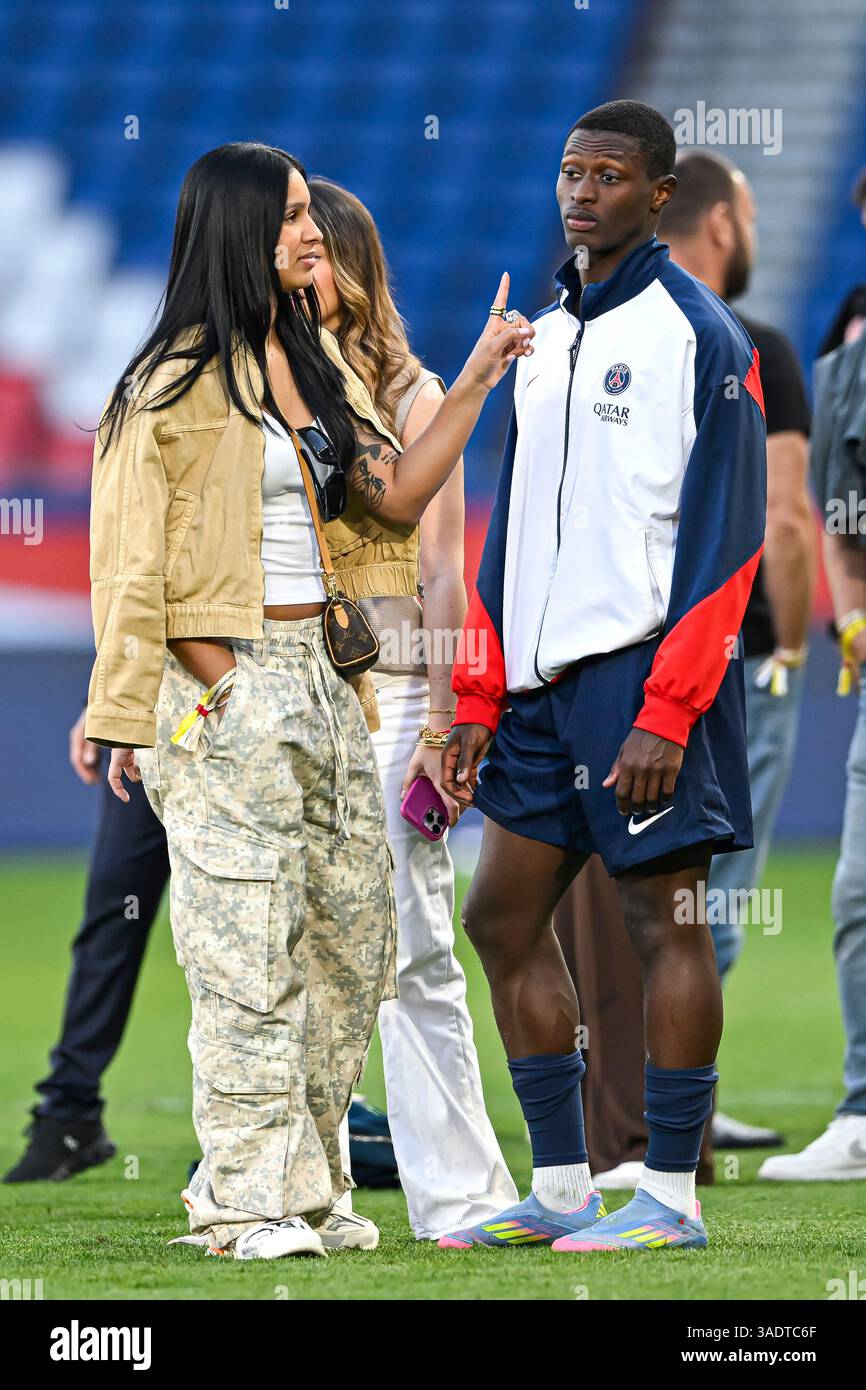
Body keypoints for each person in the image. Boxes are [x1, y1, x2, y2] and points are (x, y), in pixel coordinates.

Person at [85, 141, 531, 1260]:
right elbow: (131, 557)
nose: (309, 234)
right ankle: (240, 1203)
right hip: (223, 680)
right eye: (288, 218)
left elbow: (390, 498)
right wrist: (162, 694)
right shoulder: (166, 387)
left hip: (335, 687)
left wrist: (473, 378)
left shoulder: (318, 359)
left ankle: (314, 1186)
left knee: (350, 944)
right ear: (238, 229)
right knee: (246, 952)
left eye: (309, 218)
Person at [438, 100, 767, 1254]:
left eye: (608, 175)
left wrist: (667, 711)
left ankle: (668, 1196)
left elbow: (729, 544)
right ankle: (565, 1186)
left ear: (658, 193)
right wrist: (476, 695)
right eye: (570, 172)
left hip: (642, 684)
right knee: (499, 915)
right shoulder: (538, 335)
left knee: (661, 918)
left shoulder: (700, 338)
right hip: (531, 693)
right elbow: (506, 529)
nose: (581, 192)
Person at [552, 150, 815, 1188]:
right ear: (715, 219)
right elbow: (779, 520)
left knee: (630, 916)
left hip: (628, 668)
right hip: (705, 661)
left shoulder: (662, 338)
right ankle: (660, 1144)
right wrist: (784, 647)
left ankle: (644, 1152)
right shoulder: (746, 345)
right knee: (683, 912)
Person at [310, 178, 518, 1238]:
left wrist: (441, 722)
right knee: (289, 946)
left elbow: (444, 575)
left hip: (389, 703)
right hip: (293, 697)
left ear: (349, 263)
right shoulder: (271, 390)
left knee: (414, 949)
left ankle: (459, 1194)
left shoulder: (413, 398)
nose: (291, 266)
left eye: (307, 250)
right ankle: (288, 1191)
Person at [760, 233, 866, 1181]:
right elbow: (837, 515)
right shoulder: (844, 362)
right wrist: (852, 614)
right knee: (859, 891)